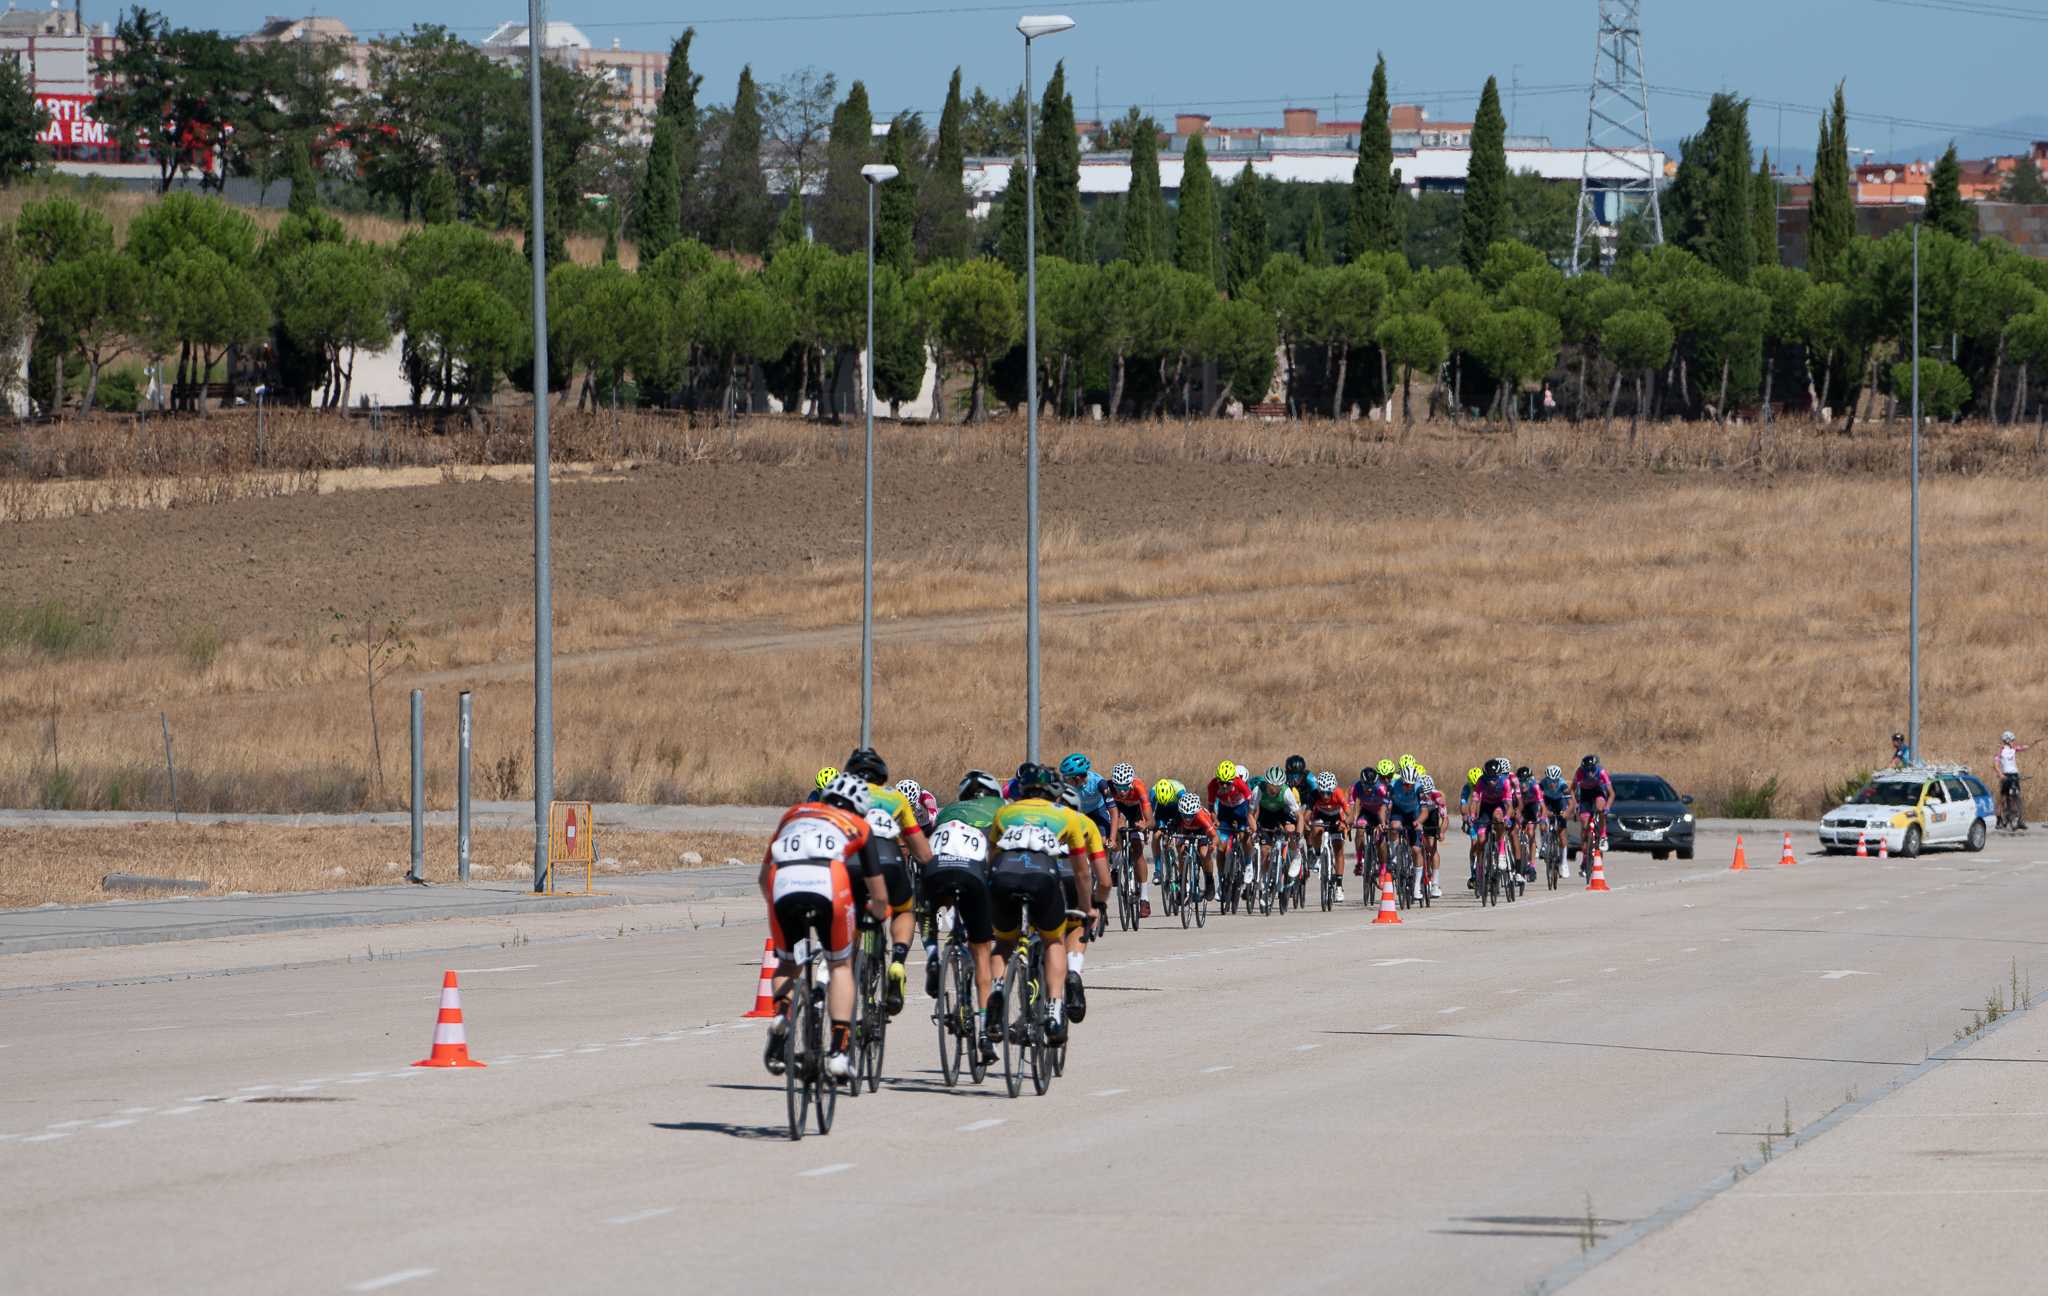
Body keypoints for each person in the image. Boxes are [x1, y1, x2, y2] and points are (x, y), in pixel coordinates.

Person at [759, 773, 892, 1081]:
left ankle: (781, 1014)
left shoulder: (793, 814)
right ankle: (839, 1051)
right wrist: (878, 913)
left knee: (788, 961)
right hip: (828, 883)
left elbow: (763, 875)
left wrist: (777, 907)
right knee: (840, 965)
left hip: (783, 884)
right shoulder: (858, 824)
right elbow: (878, 890)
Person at [985, 763, 1101, 1045]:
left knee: (1002, 943)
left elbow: (990, 859)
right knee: (1053, 941)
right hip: (1043, 878)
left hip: (1004, 876)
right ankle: (1052, 1008)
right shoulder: (1067, 817)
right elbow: (1083, 872)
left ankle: (998, 990)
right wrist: (1088, 908)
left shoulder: (1004, 812)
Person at [918, 770, 1004, 1066]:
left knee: (926, 910)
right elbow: (997, 860)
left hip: (936, 869)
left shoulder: (947, 810)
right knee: (982, 953)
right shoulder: (999, 810)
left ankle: (931, 955)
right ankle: (983, 1033)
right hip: (971, 874)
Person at [844, 747, 932, 1016]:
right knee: (905, 910)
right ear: (882, 776)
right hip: (890, 861)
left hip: (852, 863)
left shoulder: (839, 793)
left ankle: (845, 971)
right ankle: (897, 961)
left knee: (851, 916)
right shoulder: (895, 798)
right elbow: (922, 851)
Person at [1106, 763, 1155, 918]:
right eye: (1118, 787)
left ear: (1131, 783)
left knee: (1137, 849)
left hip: (1135, 811)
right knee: (1117, 829)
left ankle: (1144, 898)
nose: (1121, 791)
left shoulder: (1139, 787)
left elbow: (1151, 821)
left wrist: (1144, 825)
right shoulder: (1108, 788)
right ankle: (1115, 866)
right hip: (1117, 810)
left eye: (1125, 787)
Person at [1302, 772, 1351, 904]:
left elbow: (1349, 813)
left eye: (1328, 793)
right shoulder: (1314, 795)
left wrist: (1345, 823)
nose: (1324, 796)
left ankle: (1339, 886)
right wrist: (1306, 825)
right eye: (1322, 792)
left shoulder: (1338, 794)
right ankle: (1318, 855)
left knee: (1338, 848)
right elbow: (1306, 815)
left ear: (1333, 790)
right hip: (1320, 817)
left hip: (1336, 819)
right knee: (1316, 829)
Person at [1351, 762, 1393, 879]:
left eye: (1371, 786)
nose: (1369, 789)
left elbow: (1387, 807)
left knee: (1380, 839)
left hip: (1380, 813)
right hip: (1366, 813)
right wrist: (1352, 820)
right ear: (1361, 783)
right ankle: (1360, 861)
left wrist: (1383, 823)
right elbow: (1354, 805)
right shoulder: (1356, 787)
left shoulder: (1381, 789)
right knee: (1359, 829)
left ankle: (1383, 868)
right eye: (1366, 786)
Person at [1572, 754, 1614, 864]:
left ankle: (1603, 836)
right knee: (1585, 826)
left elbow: (1611, 793)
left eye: (1592, 769)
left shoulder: (1601, 772)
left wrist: (1607, 807)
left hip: (1598, 792)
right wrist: (1575, 804)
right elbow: (1572, 790)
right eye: (1587, 770)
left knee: (1600, 808)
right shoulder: (1579, 772)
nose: (1590, 772)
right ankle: (1585, 857)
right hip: (1585, 795)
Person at [1997, 732, 2030, 830]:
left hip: (2014, 775)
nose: (2013, 742)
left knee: (2017, 797)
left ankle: (2019, 820)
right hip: (2005, 775)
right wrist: (2000, 773)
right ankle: (1999, 820)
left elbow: (2021, 748)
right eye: (2012, 740)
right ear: (2007, 741)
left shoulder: (2014, 749)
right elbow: (1995, 763)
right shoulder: (2001, 751)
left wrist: (2027, 746)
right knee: (2003, 799)